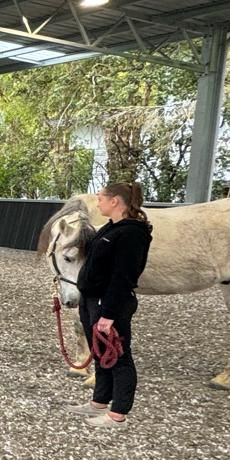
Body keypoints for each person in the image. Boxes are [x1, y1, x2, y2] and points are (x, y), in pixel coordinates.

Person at [75, 180, 153, 429]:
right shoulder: (111, 228)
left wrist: (108, 313)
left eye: (101, 198)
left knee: (118, 356)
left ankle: (119, 412)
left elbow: (124, 276)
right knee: (100, 353)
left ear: (114, 201)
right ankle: (100, 400)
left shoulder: (131, 234)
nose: (98, 203)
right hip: (92, 299)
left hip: (108, 302)